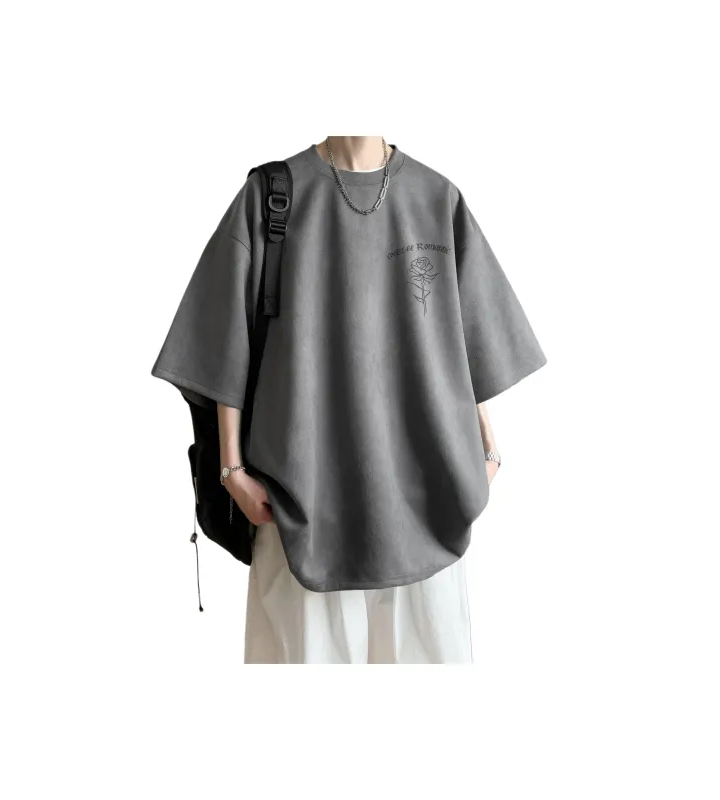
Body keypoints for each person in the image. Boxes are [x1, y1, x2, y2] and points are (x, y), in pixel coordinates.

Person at [152, 136, 547, 664]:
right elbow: (222, 336)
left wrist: (489, 449)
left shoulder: (436, 197)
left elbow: (467, 342)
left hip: (428, 507)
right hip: (299, 506)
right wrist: (231, 471)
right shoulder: (272, 195)